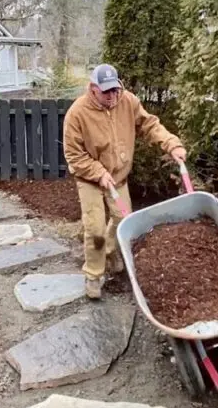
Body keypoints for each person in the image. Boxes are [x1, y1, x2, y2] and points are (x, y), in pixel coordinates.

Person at [63, 64, 186, 299]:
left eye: (115, 90)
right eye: (106, 92)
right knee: (96, 229)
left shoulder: (127, 101)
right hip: (89, 179)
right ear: (93, 89)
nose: (113, 96)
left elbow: (149, 124)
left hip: (118, 177)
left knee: (122, 220)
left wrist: (172, 144)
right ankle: (93, 275)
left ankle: (110, 252)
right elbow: (74, 154)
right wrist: (98, 172)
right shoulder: (77, 114)